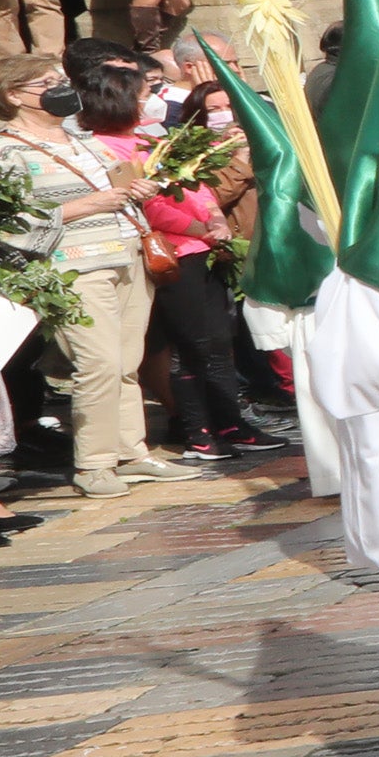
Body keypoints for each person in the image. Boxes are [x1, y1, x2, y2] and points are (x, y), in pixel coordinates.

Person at [0, 53, 177, 494]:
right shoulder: (2, 149)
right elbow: (1, 222)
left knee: (125, 363)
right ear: (13, 94)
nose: (61, 87)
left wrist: (137, 186)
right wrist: (84, 207)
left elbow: (114, 187)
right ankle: (95, 465)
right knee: (98, 364)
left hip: (125, 255)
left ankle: (130, 451)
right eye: (47, 81)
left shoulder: (81, 137)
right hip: (74, 267)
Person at [100, 61, 269, 464]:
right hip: (174, 253)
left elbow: (195, 184)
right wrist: (200, 228)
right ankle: (199, 431)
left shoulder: (148, 139)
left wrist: (211, 218)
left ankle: (231, 423)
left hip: (202, 248)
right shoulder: (107, 146)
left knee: (216, 343)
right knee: (191, 347)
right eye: (143, 96)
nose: (149, 103)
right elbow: (152, 207)